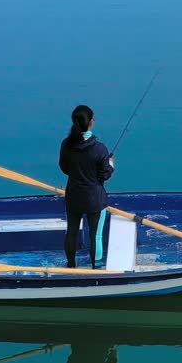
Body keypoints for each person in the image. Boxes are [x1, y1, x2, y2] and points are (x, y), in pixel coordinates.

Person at [58, 104, 115, 269]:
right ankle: (96, 268)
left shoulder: (66, 145)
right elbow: (105, 174)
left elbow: (64, 168)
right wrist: (110, 164)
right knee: (95, 235)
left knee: (72, 232)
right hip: (94, 198)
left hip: (73, 196)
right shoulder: (99, 149)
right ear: (91, 122)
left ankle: (71, 265)